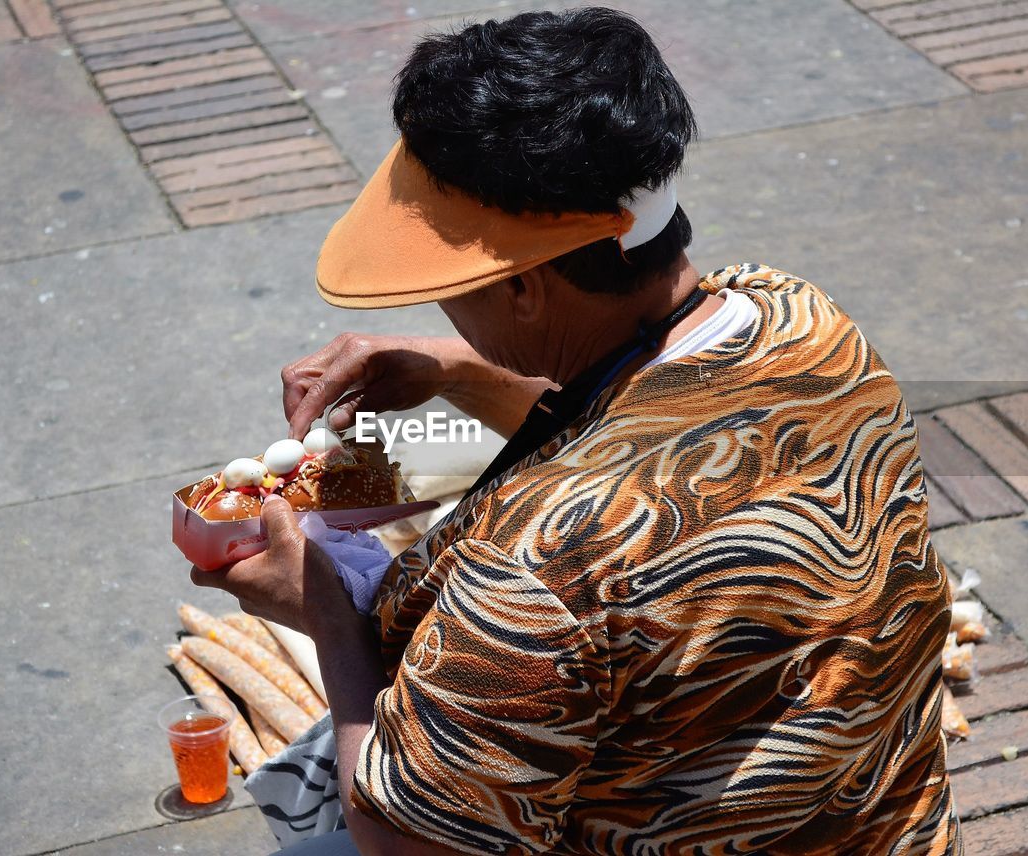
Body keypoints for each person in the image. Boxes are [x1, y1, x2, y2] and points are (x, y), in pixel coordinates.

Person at [191, 7, 960, 854]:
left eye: (448, 283)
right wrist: (461, 369)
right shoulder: (803, 320)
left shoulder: (538, 568)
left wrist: (332, 613)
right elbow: (646, 421)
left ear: (523, 287)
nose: (436, 305)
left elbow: (404, 840)